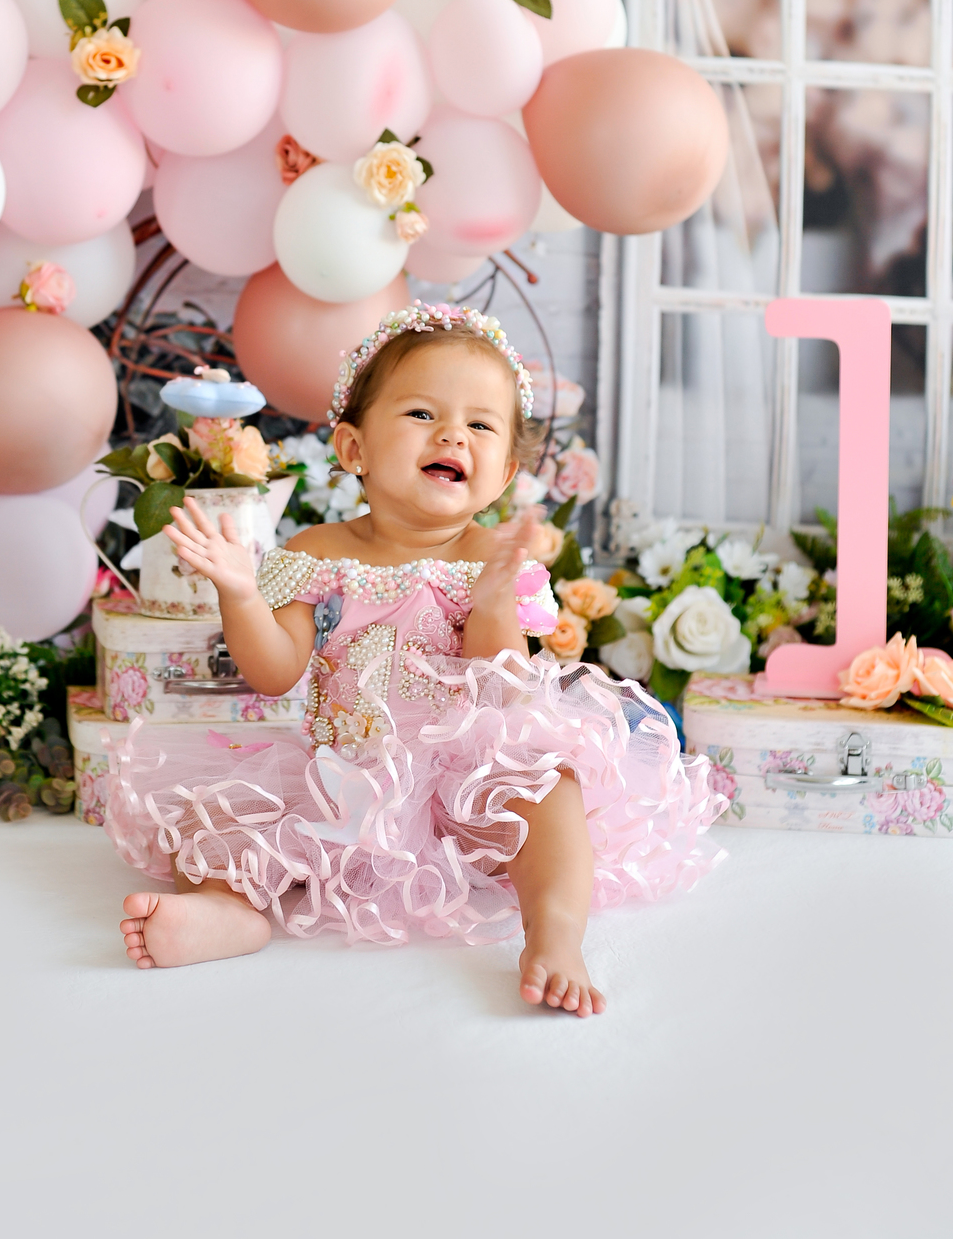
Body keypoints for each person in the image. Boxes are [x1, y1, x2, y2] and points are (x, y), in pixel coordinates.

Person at [109, 304, 723, 1013]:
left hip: (467, 783)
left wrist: (493, 601)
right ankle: (227, 911)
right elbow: (275, 672)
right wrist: (241, 594)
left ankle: (554, 932)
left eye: (480, 425)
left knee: (551, 788)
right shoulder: (317, 552)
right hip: (347, 773)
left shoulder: (492, 557)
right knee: (217, 820)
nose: (453, 434)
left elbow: (503, 689)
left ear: (504, 474)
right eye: (422, 413)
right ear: (354, 448)